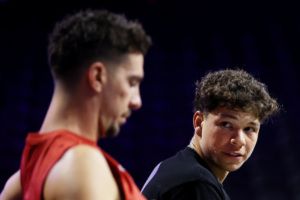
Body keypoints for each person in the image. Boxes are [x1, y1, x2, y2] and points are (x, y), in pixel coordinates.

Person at [0, 9, 151, 200]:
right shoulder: (82, 166)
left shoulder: (24, 176)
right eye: (132, 82)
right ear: (97, 76)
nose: (137, 101)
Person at [142, 69, 280, 200]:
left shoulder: (177, 169)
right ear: (199, 122)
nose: (239, 140)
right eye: (226, 124)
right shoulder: (195, 185)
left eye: (249, 129)